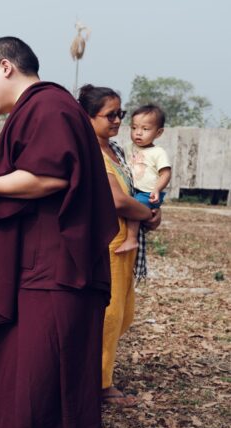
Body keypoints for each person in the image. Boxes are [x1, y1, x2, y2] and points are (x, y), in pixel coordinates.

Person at [0, 37, 119, 428]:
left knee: (62, 375)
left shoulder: (48, 106)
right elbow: (18, 191)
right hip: (36, 270)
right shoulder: (38, 109)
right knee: (21, 372)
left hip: (58, 273)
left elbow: (51, 177)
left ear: (5, 67)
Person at [78, 85, 161, 407]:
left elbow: (137, 191)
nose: (117, 121)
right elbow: (115, 200)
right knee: (109, 315)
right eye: (110, 115)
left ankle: (96, 375)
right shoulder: (90, 153)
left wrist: (150, 212)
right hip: (109, 243)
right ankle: (99, 384)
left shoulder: (116, 150)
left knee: (124, 314)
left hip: (126, 244)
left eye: (120, 114)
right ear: (88, 117)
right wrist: (148, 214)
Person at [114, 104, 171, 254]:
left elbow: (165, 173)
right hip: (133, 190)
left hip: (148, 193)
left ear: (158, 133)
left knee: (135, 208)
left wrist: (157, 189)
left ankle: (132, 239)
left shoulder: (158, 152)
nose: (138, 133)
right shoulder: (127, 147)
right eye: (134, 128)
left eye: (145, 129)